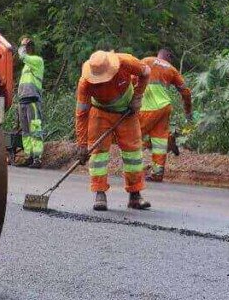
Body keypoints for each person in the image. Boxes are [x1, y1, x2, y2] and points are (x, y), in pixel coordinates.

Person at [76, 51, 150, 211]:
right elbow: (82, 113)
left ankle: (135, 195)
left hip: (126, 112)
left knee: (133, 154)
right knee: (98, 155)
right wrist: (82, 144)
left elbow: (146, 72)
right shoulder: (85, 83)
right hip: (100, 113)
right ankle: (99, 193)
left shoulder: (126, 62)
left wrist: (137, 97)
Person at [139, 49, 194, 182]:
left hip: (148, 108)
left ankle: (133, 170)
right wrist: (188, 111)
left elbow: (132, 79)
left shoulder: (146, 61)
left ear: (158, 55)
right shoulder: (172, 69)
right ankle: (157, 174)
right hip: (165, 108)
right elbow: (186, 92)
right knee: (159, 140)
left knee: (134, 136)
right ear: (168, 58)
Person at [16, 36, 46, 168]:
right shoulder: (26, 67)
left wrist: (22, 45)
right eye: (24, 46)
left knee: (35, 130)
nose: (25, 48)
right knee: (26, 132)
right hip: (23, 100)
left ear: (31, 48)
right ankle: (28, 156)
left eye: (27, 46)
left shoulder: (37, 61)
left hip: (33, 99)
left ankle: (37, 158)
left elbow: (22, 56)